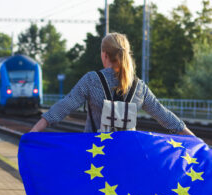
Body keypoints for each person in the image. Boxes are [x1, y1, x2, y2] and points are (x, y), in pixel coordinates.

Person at [30, 32, 194, 136]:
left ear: (104, 54)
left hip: (96, 155)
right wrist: (193, 138)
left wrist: (34, 130)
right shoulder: (139, 87)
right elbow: (162, 115)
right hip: (126, 155)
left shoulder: (92, 80)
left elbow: (64, 106)